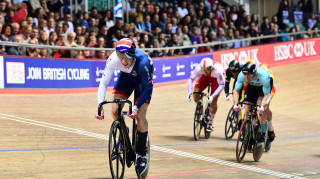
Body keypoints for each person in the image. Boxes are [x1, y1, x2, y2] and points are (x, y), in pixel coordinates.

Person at [95, 38, 153, 178]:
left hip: (142, 82)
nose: (123, 61)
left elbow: (148, 88)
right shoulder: (113, 59)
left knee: (139, 115)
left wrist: (136, 107)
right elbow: (103, 84)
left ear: (133, 54)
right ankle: (123, 130)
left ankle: (142, 154)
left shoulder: (142, 62)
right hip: (126, 78)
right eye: (120, 57)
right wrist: (99, 105)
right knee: (115, 110)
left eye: (126, 57)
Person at [232, 63, 275, 145]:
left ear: (254, 74)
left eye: (248, 76)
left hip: (263, 88)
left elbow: (267, 95)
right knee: (247, 109)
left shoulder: (264, 77)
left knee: (260, 110)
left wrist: (262, 106)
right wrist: (235, 104)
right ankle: (248, 133)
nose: (246, 78)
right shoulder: (242, 75)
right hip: (251, 86)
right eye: (245, 75)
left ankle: (263, 132)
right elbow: (236, 91)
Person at [187, 57, 225, 132]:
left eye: (206, 70)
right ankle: (200, 110)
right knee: (196, 92)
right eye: (203, 69)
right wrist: (189, 93)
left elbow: (222, 85)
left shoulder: (218, 71)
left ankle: (210, 122)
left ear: (211, 68)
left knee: (213, 101)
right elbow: (190, 79)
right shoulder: (199, 68)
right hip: (205, 78)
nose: (204, 71)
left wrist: (212, 96)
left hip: (216, 80)